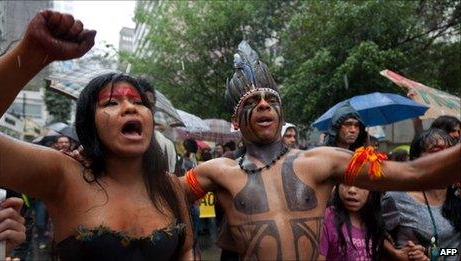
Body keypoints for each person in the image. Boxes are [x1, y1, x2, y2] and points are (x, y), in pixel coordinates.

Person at [180, 40, 461, 260]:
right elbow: (161, 197)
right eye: (252, 101)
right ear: (234, 121)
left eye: (271, 99)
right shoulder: (216, 171)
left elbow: (413, 173)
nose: (264, 104)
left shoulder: (320, 162)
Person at [0, 10, 193, 260]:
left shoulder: (169, 187)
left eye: (138, 102)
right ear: (90, 124)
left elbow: (186, 250)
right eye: (111, 103)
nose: (129, 107)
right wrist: (30, 53)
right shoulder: (63, 175)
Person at [382, 129, 461, 261]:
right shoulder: (396, 198)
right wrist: (396, 254)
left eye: (448, 152)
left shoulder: (457, 196)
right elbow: (371, 233)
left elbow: (454, 251)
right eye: (436, 152)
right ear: (416, 161)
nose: (444, 158)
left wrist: (428, 252)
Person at [319, 184, 384, 260]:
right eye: (345, 182)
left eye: (360, 183)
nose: (352, 190)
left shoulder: (375, 222)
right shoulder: (327, 218)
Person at [137, 77, 178, 174]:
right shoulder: (114, 142)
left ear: (154, 109)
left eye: (149, 105)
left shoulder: (167, 146)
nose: (144, 109)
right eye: (139, 103)